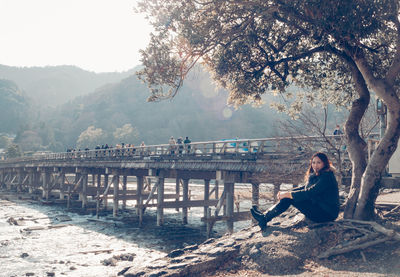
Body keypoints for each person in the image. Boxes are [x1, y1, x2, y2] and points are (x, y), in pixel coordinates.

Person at [250, 152, 339, 231]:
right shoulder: (318, 175)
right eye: (313, 162)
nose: (315, 165)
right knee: (288, 197)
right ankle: (264, 217)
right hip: (320, 208)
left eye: (319, 162)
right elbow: (304, 188)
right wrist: (287, 193)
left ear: (324, 163)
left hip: (327, 214)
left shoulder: (327, 177)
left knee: (289, 199)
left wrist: (288, 194)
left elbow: (309, 192)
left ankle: (264, 218)